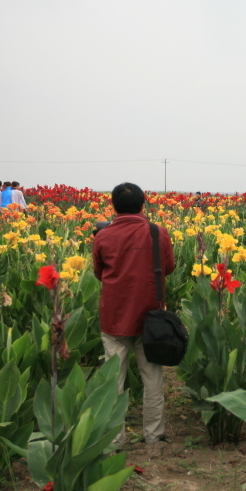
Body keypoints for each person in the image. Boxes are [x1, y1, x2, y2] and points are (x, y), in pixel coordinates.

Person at [92, 182, 175, 447]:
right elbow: (169, 267)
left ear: (113, 207)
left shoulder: (102, 236)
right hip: (150, 318)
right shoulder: (157, 233)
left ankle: (115, 440)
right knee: (152, 378)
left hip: (114, 317)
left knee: (113, 382)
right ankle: (154, 436)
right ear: (143, 205)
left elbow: (98, 272)